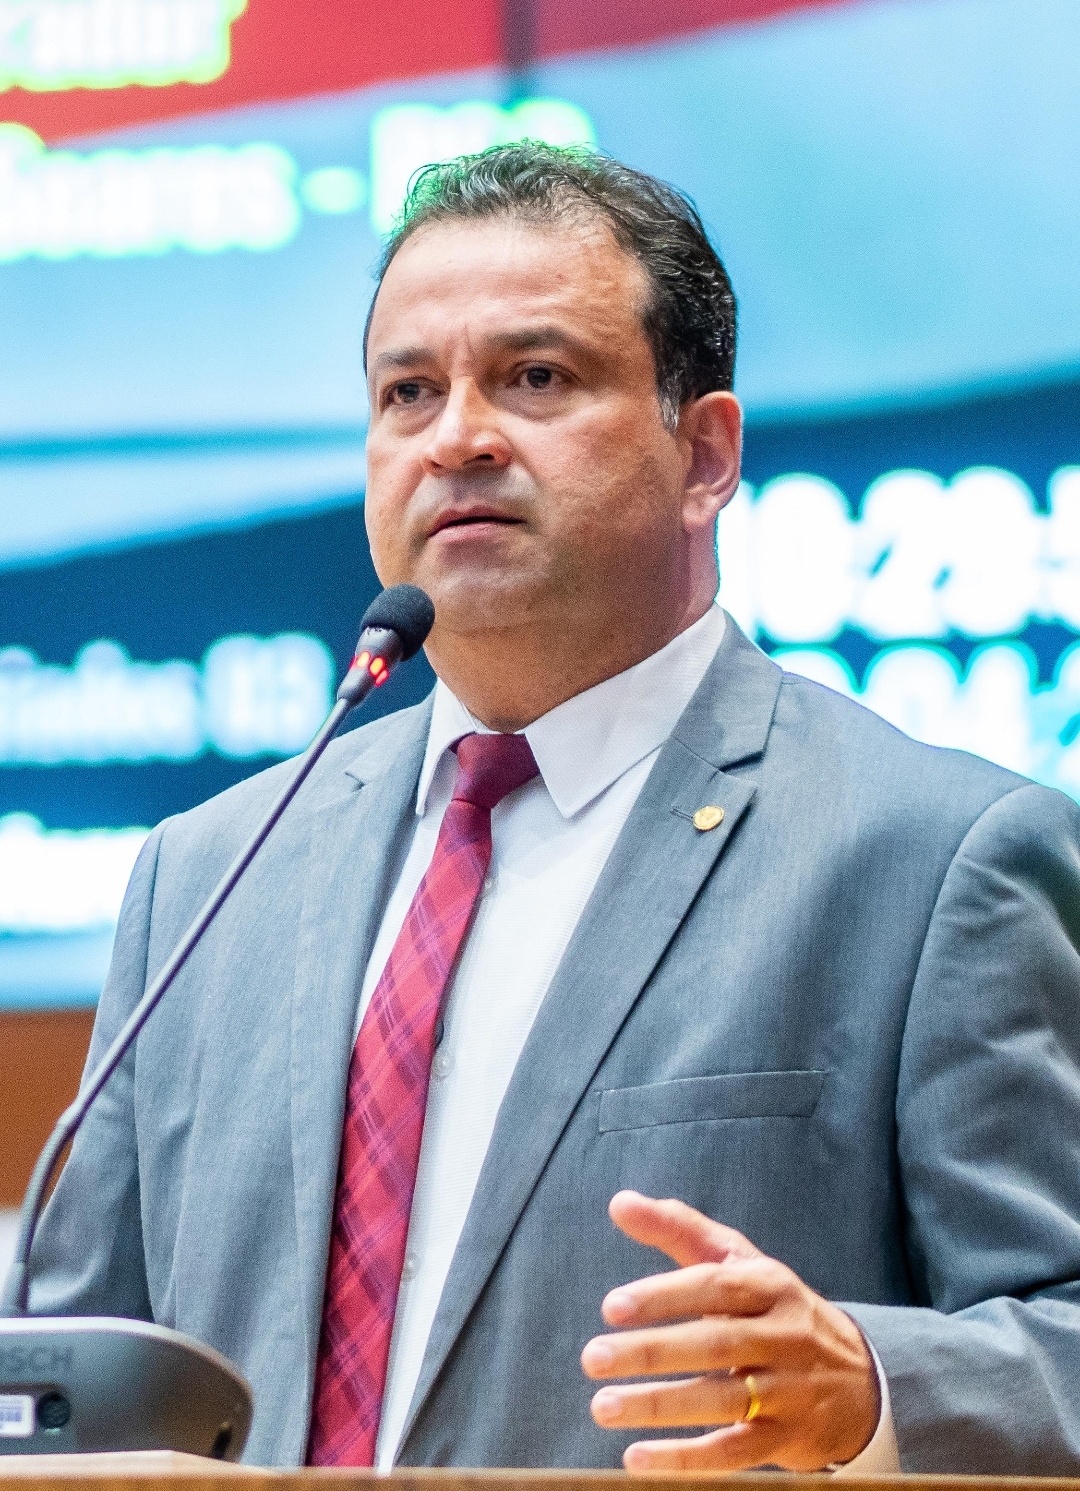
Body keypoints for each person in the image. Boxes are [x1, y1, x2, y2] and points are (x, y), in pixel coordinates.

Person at [31, 143, 1080, 1475]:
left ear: (704, 455)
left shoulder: (937, 862)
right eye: (409, 392)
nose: (457, 436)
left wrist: (871, 1386)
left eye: (536, 378)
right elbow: (73, 1390)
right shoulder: (209, 877)